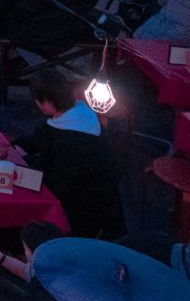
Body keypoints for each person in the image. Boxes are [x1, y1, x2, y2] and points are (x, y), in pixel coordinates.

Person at [18, 68, 126, 240]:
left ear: (46, 102)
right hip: (105, 201)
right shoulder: (82, 113)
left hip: (84, 210)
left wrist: (23, 165)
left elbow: (59, 183)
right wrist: (16, 147)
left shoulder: (69, 141)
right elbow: (43, 137)